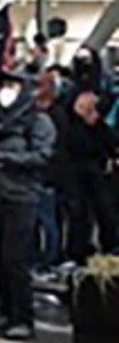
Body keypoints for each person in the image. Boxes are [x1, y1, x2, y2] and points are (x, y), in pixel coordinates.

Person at [0, 70, 56, 340]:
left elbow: (42, 156)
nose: (5, 90)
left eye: (13, 85)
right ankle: (5, 310)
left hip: (21, 197)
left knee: (15, 259)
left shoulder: (38, 122)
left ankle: (22, 316)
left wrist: (6, 158)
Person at [57, 87, 119, 264]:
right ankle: (77, 252)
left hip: (97, 173)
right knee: (79, 215)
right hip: (75, 174)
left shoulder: (98, 126)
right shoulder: (69, 123)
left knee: (105, 211)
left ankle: (110, 246)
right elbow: (75, 146)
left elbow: (110, 141)